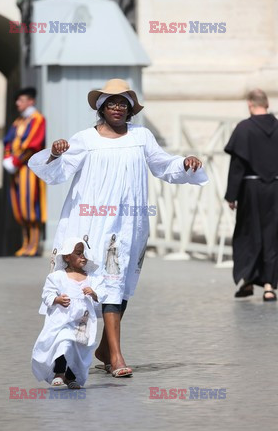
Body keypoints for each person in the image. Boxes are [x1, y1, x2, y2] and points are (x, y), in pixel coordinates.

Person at [29, 78, 208, 377]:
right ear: (100, 108)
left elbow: (163, 165)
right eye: (111, 103)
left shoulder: (142, 136)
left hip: (130, 223)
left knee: (120, 285)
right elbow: (54, 173)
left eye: (123, 104)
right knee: (101, 285)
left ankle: (104, 349)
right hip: (92, 223)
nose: (117, 108)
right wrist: (55, 153)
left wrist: (186, 163)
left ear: (130, 110)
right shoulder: (86, 139)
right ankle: (115, 356)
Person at [224, 89, 278, 301]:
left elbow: (237, 166)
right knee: (273, 235)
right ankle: (268, 286)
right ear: (267, 103)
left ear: (249, 104)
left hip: (250, 189)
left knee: (248, 234)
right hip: (275, 188)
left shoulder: (244, 128)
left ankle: (247, 279)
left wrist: (231, 194)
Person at [32, 237, 107, 389]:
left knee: (78, 349)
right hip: (63, 320)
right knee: (64, 342)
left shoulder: (92, 278)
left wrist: (93, 293)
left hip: (83, 322)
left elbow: (103, 293)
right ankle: (59, 373)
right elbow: (47, 294)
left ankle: (71, 377)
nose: (83, 257)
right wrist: (57, 299)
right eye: (78, 253)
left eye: (84, 253)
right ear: (67, 256)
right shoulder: (57, 277)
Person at [3, 87, 46, 257]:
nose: (17, 104)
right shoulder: (18, 122)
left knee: (31, 206)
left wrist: (15, 160)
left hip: (29, 169)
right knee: (20, 208)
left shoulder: (37, 119)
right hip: (17, 170)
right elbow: (8, 141)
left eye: (21, 100)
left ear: (31, 101)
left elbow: (33, 145)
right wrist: (7, 157)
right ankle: (26, 243)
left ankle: (34, 244)